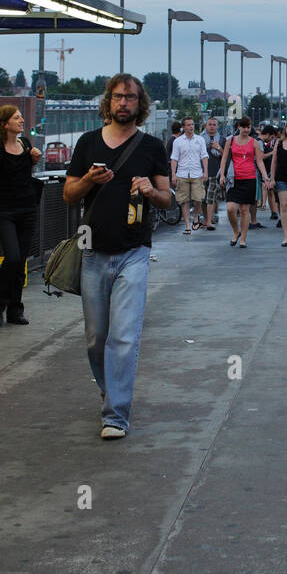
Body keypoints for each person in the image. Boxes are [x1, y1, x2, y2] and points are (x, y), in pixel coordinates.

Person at [63, 75, 170, 439]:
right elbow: (68, 195)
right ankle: (111, 391)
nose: (124, 103)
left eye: (131, 98)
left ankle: (116, 415)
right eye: (118, 96)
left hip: (134, 251)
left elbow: (168, 198)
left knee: (123, 336)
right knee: (97, 337)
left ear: (141, 105)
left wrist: (150, 190)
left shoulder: (152, 146)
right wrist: (91, 180)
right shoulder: (87, 143)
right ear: (108, 102)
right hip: (92, 251)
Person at [0, 104, 41, 327]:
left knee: (21, 263)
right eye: (16, 118)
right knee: (13, 257)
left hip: (28, 208)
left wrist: (34, 158)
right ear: (4, 123)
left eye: (20, 117)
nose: (21, 120)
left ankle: (15, 310)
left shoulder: (25, 145)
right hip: (6, 212)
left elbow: (26, 172)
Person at [218, 117, 270, 248]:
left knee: (244, 210)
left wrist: (265, 177)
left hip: (249, 178)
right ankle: (236, 231)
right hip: (234, 179)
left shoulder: (254, 143)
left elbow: (259, 161)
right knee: (230, 209)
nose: (246, 130)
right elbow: (224, 159)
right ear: (238, 127)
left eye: (248, 127)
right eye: (244, 127)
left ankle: (243, 239)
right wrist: (222, 175)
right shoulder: (230, 141)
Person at [170, 115, 208, 234]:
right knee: (184, 200)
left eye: (192, 124)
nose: (191, 127)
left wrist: (205, 171)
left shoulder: (200, 140)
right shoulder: (178, 141)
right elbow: (174, 159)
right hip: (182, 173)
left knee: (198, 198)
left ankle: (196, 216)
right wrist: (173, 174)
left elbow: (204, 156)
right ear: (183, 127)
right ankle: (187, 226)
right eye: (188, 125)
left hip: (197, 173)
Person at [201, 117, 223, 230]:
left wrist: (218, 148)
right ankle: (205, 220)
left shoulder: (221, 139)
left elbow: (226, 155)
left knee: (210, 198)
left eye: (214, 124)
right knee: (202, 199)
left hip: (215, 173)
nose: (212, 126)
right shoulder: (199, 139)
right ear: (206, 125)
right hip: (201, 173)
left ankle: (209, 221)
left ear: (217, 126)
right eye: (210, 124)